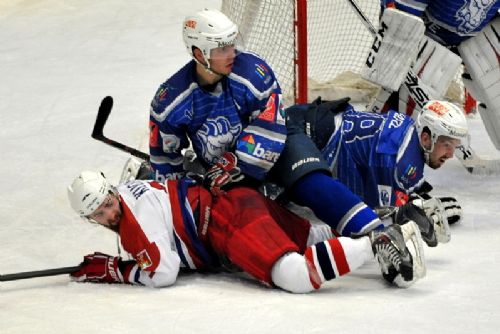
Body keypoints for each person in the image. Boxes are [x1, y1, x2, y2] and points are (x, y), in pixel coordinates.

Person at [147, 8, 389, 240]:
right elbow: (165, 160)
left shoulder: (252, 71)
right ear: (199, 53)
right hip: (226, 174)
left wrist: (237, 163)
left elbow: (271, 128)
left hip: (280, 142)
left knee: (311, 182)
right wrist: (180, 197)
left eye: (232, 43)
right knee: (245, 224)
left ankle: (378, 234)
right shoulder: (170, 100)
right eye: (222, 48)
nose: (232, 53)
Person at [66, 170, 427, 292]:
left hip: (225, 225)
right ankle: (397, 218)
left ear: (113, 191)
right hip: (236, 200)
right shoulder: (131, 187)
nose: (109, 214)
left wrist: (115, 270)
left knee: (295, 275)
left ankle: (374, 242)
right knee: (315, 238)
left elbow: (162, 273)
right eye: (100, 213)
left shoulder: (131, 223)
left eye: (108, 204)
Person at [285, 98, 467, 241]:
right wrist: (418, 215)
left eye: (454, 146)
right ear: (427, 139)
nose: (450, 154)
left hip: (312, 120)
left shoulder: (409, 133)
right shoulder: (399, 162)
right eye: (446, 145)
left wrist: (417, 202)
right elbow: (376, 220)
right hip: (302, 133)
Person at [368, 2, 500, 150]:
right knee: (407, 100)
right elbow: (401, 18)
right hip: (427, 32)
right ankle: (380, 146)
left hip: (473, 33)